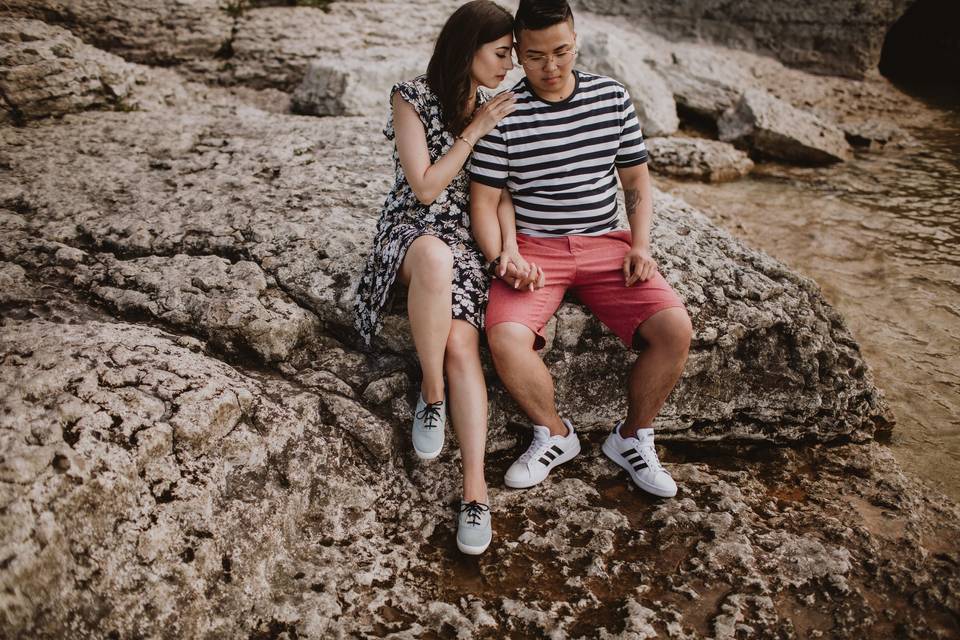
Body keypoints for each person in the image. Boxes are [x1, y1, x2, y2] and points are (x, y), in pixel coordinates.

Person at [469, 0, 693, 499]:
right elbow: (484, 202)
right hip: (534, 250)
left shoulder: (612, 97)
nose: (551, 67)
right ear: (518, 55)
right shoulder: (502, 113)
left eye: (561, 52)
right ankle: (555, 434)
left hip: (606, 246)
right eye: (535, 56)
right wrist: (501, 258)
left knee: (675, 329)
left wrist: (640, 244)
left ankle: (632, 439)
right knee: (505, 337)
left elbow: (635, 180)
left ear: (576, 42)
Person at [353, 0, 518, 555]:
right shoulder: (412, 96)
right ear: (467, 48)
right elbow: (423, 187)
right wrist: (475, 129)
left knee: (462, 344)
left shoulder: (498, 105)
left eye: (512, 53)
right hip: (411, 228)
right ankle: (430, 393)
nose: (509, 64)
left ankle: (475, 492)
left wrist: (509, 249)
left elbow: (500, 195)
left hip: (467, 235)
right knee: (431, 256)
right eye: (500, 53)